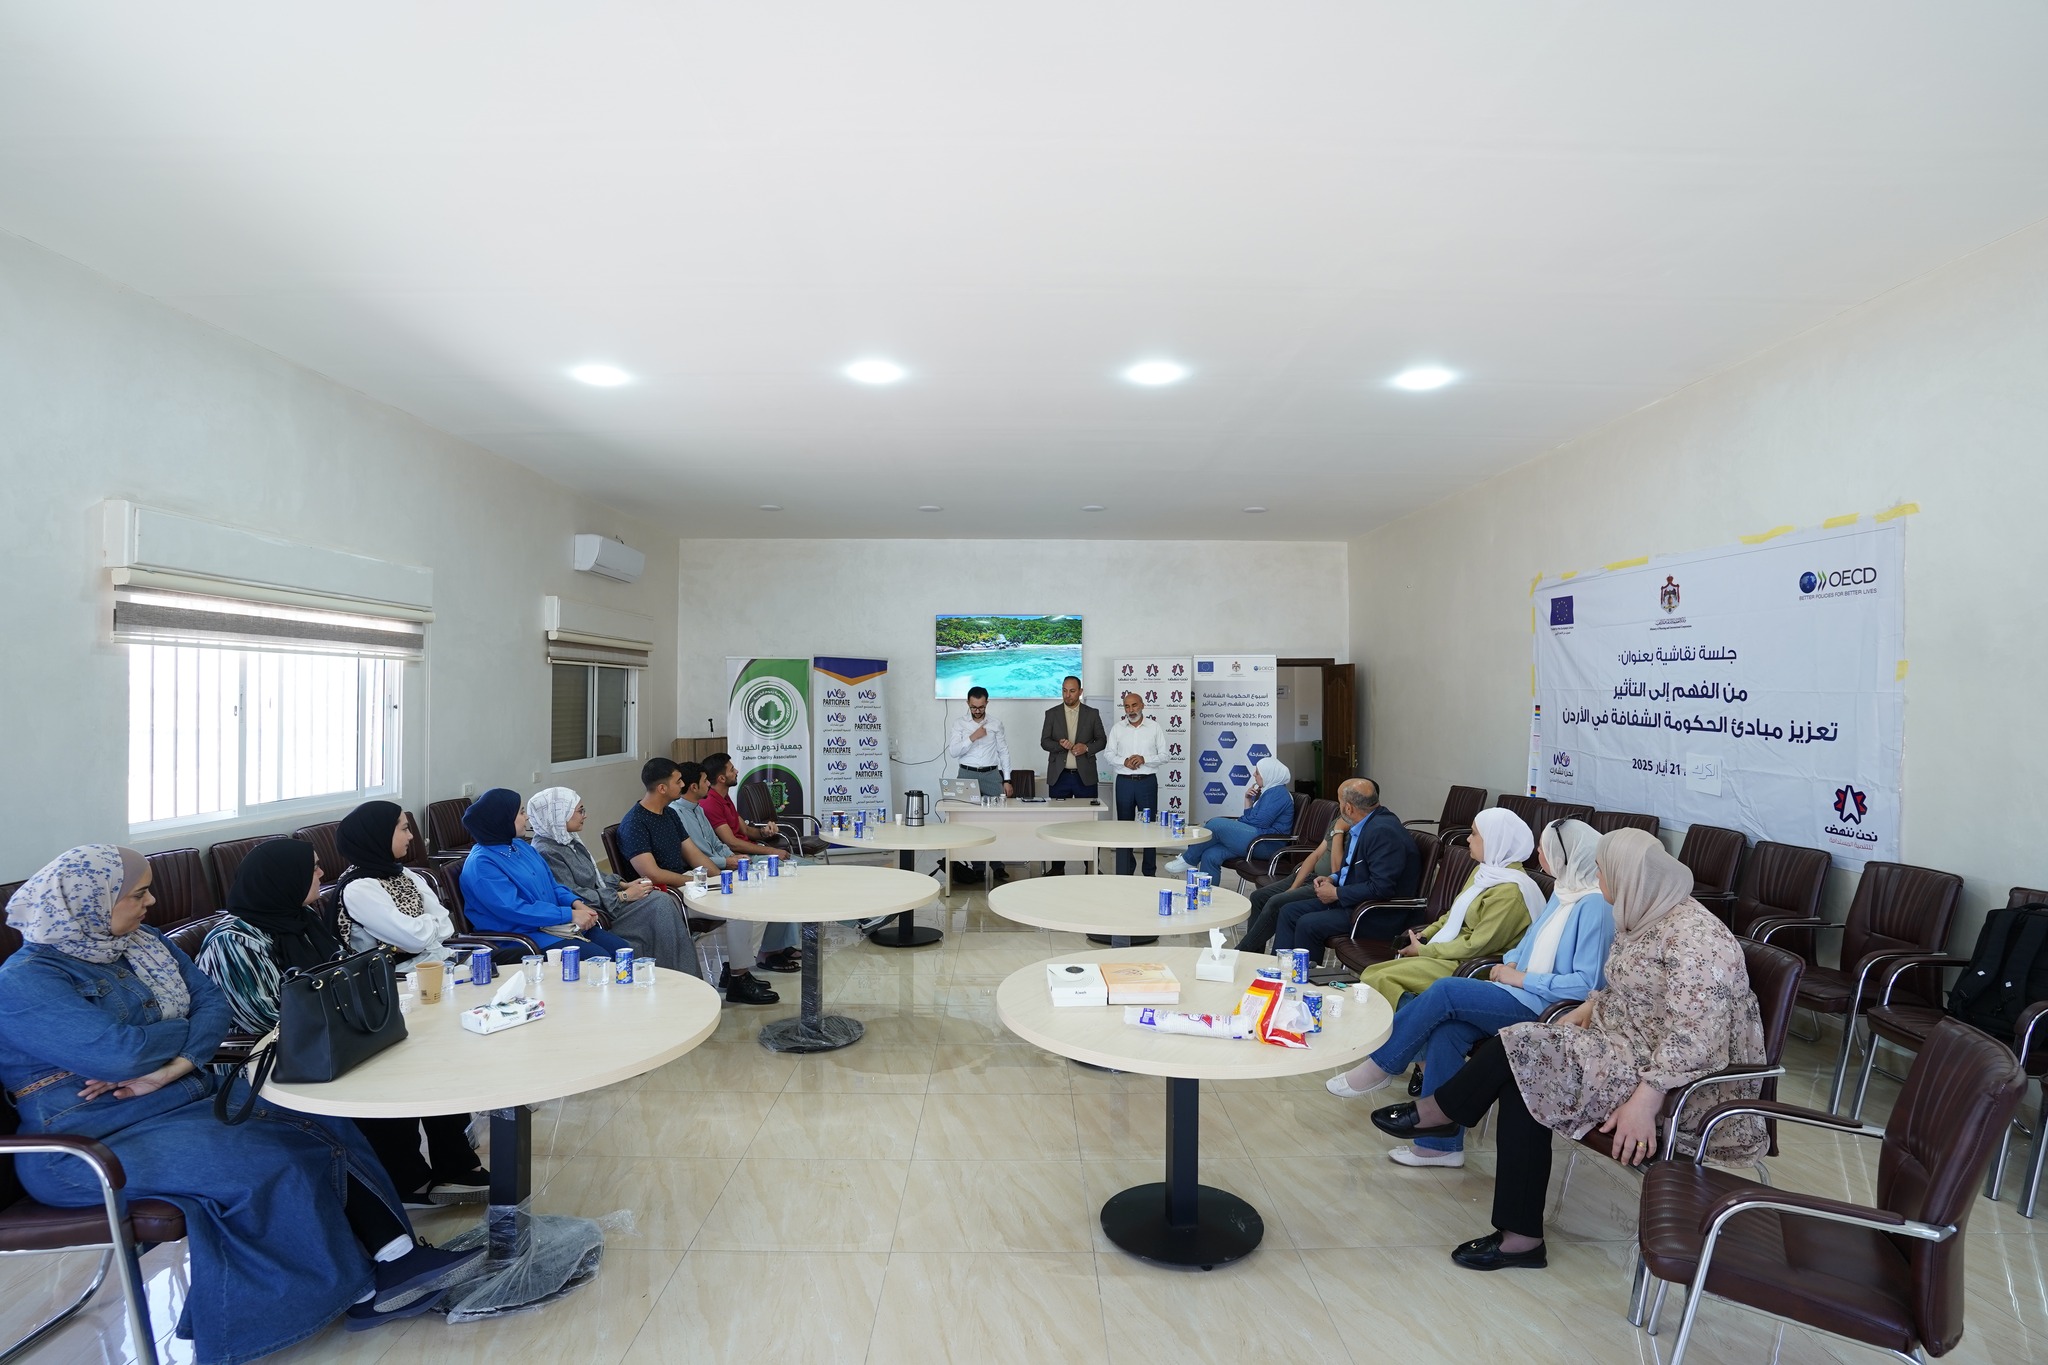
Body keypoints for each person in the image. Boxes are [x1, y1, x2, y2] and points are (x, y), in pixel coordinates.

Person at [0, 846, 481, 1359]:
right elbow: (123, 1054)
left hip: (185, 1096)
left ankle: (397, 1256)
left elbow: (213, 1005)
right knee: (267, 1160)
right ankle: (358, 1293)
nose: (152, 902)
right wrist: (172, 1041)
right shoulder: (25, 982)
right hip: (90, 1144)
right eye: (138, 894)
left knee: (323, 1117)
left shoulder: (144, 943)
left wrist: (176, 1063)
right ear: (87, 903)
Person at [1376, 828, 1768, 1271]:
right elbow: (1629, 987)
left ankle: (1443, 1112)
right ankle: (1520, 1236)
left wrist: (1646, 1100)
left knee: (1523, 1051)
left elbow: (1696, 1039)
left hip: (1678, 1087)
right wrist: (1590, 1005)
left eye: (1602, 870)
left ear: (1627, 875)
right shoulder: (1645, 911)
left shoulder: (1696, 940)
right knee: (1524, 1069)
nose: (1597, 878)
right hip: (1621, 1050)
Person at [197, 836, 492, 1207]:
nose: (322, 874)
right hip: (274, 1058)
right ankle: (407, 1180)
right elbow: (266, 1016)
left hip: (328, 1036)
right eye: (313, 868)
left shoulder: (302, 918)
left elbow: (343, 971)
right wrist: (346, 1018)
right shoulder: (233, 941)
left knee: (427, 1055)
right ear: (285, 878)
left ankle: (453, 1167)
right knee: (389, 1074)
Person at [1325, 819, 1616, 1170]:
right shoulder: (1563, 891)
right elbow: (1527, 942)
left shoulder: (1594, 905)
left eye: (1546, 847)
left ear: (1568, 855)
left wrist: (1520, 977)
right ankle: (1440, 1147)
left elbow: (1586, 985)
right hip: (1517, 991)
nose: (1538, 851)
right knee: (1448, 1033)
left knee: (1446, 990)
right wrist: (1511, 963)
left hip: (1548, 1008)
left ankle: (1382, 1064)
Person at [616, 759, 780, 1004]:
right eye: (678, 781)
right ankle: (739, 978)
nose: (683, 785)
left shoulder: (669, 814)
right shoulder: (635, 823)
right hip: (664, 894)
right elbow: (652, 874)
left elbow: (694, 854)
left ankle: (737, 972)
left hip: (688, 883)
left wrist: (722, 880)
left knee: (746, 897)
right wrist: (692, 881)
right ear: (662, 788)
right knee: (738, 910)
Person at [1350, 806, 1542, 1008]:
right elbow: (1455, 913)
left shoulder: (1510, 892)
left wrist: (1425, 951)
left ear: (1495, 841)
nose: (1468, 839)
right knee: (1373, 973)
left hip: (1470, 965)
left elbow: (1477, 946)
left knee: (1380, 978)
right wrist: (1426, 934)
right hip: (1451, 952)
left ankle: (1414, 1018)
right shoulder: (1486, 872)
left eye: (1474, 834)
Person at [525, 786, 705, 980]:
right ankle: (675, 977)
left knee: (662, 901)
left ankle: (681, 976)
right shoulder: (547, 851)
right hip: (595, 911)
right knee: (660, 904)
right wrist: (623, 896)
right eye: (580, 811)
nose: (585, 815)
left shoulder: (567, 839)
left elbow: (595, 875)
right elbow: (573, 894)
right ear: (559, 815)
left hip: (606, 902)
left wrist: (624, 884)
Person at [456, 788, 635, 959]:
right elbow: (515, 910)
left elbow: (553, 885)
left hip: (553, 925)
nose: (526, 817)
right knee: (601, 960)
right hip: (521, 937)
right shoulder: (482, 864)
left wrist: (576, 903)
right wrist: (569, 914)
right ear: (502, 819)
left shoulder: (520, 846)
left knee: (623, 951)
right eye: (521, 812)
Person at [1247, 778, 1418, 955]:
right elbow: (1352, 867)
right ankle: (1281, 967)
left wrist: (1336, 893)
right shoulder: (1364, 823)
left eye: (1339, 802)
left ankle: (1304, 971)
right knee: (1288, 911)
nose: (1339, 807)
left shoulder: (1382, 832)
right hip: (1352, 900)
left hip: (1371, 913)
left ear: (1349, 808)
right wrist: (1332, 878)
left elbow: (1382, 887)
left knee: (1307, 923)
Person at [1166, 755, 1295, 880]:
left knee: (1216, 824)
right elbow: (1252, 819)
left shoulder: (1277, 793)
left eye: (1257, 772)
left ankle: (1188, 859)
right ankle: (1207, 892)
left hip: (1267, 845)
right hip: (1258, 839)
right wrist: (1248, 800)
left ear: (1268, 774)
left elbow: (1259, 822)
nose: (1253, 774)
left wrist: (1239, 821)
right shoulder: (1269, 791)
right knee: (1210, 855)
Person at [946, 686, 1013, 882]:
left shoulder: (996, 724)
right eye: (974, 707)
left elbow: (1003, 752)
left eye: (981, 707)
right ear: (968, 703)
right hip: (967, 774)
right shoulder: (959, 724)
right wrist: (972, 737)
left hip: (991, 775)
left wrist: (1007, 779)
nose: (977, 710)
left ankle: (998, 866)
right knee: (970, 823)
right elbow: (953, 751)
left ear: (987, 703)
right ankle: (977, 867)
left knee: (997, 821)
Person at [1098, 691, 1166, 875]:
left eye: (1134, 705)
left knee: (1150, 828)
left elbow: (1164, 755)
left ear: (1142, 705)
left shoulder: (1154, 727)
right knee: (1124, 828)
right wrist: (1124, 761)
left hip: (1147, 783)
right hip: (1124, 783)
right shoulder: (1117, 728)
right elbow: (1108, 754)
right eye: (1127, 706)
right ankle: (1125, 870)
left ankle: (1149, 872)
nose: (1131, 710)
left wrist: (1145, 759)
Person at [1038, 674, 1108, 802]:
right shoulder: (1051, 714)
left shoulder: (1092, 714)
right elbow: (1044, 742)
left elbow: (1102, 741)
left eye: (1072, 691)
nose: (1067, 695)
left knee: (1086, 813)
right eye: (1064, 691)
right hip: (1059, 776)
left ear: (1080, 692)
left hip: (1085, 776)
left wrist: (1086, 748)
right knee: (1059, 813)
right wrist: (1060, 745)